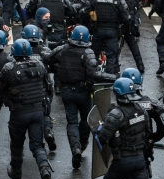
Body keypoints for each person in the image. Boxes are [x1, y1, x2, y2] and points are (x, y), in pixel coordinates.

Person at [42, 26, 116, 169]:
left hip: (67, 92)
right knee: (86, 120)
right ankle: (82, 146)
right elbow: (94, 74)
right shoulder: (88, 52)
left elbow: (48, 59)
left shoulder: (63, 49)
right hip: (83, 93)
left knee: (71, 122)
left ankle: (75, 148)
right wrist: (115, 78)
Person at [0, 39, 54, 179]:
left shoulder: (9, 68)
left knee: (17, 145)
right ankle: (44, 169)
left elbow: (0, 89)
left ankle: (17, 173)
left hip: (19, 113)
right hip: (37, 111)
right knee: (37, 146)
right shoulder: (40, 65)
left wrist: (6, 101)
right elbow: (49, 87)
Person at [94, 78, 151, 179]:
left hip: (122, 161)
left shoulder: (116, 114)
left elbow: (102, 139)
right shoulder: (142, 110)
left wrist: (98, 130)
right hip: (140, 160)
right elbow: (148, 133)